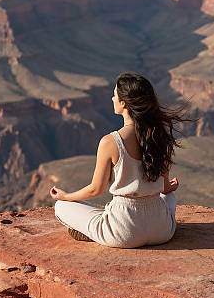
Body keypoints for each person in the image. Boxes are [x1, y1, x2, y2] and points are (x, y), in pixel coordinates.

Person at [51, 71, 192, 248]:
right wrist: (169, 188)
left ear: (123, 103)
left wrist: (66, 196)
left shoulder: (110, 142)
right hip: (162, 231)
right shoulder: (159, 136)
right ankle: (105, 224)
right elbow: (163, 186)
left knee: (62, 207)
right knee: (168, 197)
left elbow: (96, 190)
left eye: (115, 95)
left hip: (123, 232)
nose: (112, 98)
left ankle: (96, 230)